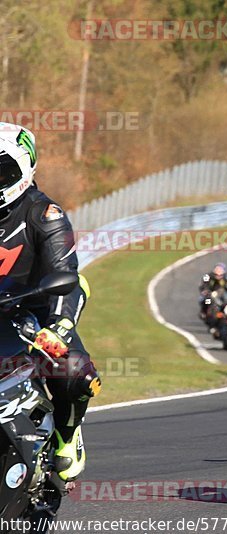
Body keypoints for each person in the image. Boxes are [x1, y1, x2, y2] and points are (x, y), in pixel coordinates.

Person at [0, 123, 100, 482]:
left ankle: (66, 434)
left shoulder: (45, 215)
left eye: (1, 171)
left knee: (74, 373)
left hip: (35, 313)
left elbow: (67, 276)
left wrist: (58, 327)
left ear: (23, 171)